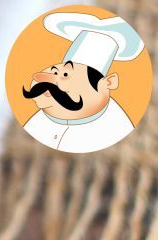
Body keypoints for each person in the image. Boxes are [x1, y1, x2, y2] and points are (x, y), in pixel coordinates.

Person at [22, 12, 146, 154]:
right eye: (54, 71)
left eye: (66, 75)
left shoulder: (114, 129)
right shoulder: (36, 120)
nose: (50, 82)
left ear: (108, 84)